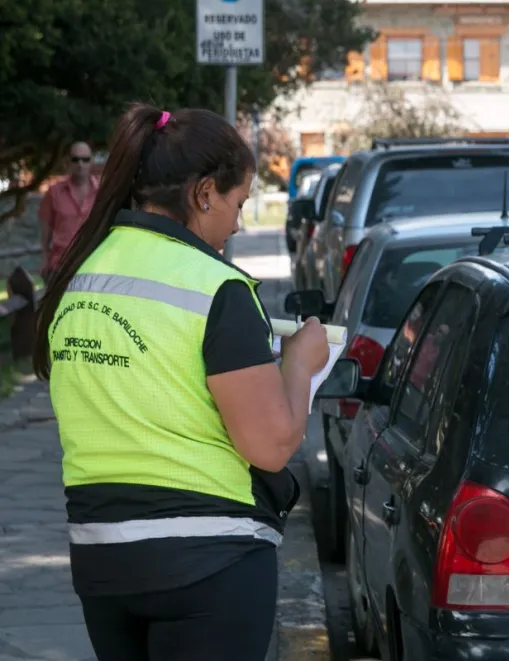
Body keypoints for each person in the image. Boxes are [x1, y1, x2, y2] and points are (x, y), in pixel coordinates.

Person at [32, 103, 330, 661]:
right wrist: (300, 362)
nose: (239, 223)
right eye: (238, 203)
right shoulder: (216, 288)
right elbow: (269, 445)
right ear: (204, 193)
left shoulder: (83, 276)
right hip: (209, 559)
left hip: (101, 558)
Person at [38, 142, 100, 283]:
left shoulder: (102, 193)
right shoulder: (53, 193)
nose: (80, 164)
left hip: (92, 265)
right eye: (75, 159)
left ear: (91, 162)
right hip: (60, 266)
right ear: (68, 162)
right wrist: (44, 258)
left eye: (85, 159)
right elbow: (46, 230)